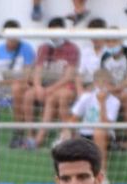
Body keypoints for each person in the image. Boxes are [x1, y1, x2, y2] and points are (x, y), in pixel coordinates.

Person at [17, 20, 78, 150]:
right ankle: (30, 135)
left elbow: (68, 76)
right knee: (28, 95)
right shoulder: (44, 48)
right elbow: (38, 70)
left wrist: (50, 89)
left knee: (54, 97)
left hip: (63, 86)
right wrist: (38, 86)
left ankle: (42, 139)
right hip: (45, 86)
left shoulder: (72, 49)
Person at [67, 70, 120, 161]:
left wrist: (102, 103)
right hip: (84, 134)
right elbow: (73, 118)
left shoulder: (115, 101)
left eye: (106, 83)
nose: (103, 86)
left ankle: (102, 171)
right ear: (95, 84)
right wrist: (67, 132)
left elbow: (106, 125)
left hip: (106, 135)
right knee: (66, 135)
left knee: (99, 132)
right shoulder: (86, 97)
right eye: (100, 83)